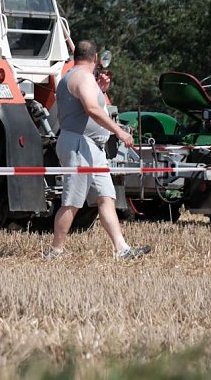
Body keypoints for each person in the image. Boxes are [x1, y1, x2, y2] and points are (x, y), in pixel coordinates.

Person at [44, 40, 152, 260]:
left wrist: (100, 89)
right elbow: (91, 109)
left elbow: (91, 103)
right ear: (95, 59)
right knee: (72, 202)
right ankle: (55, 251)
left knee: (105, 197)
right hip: (79, 145)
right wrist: (119, 131)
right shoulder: (82, 77)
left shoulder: (76, 77)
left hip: (91, 147)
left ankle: (121, 248)